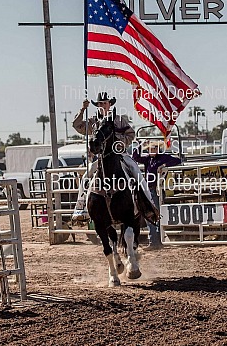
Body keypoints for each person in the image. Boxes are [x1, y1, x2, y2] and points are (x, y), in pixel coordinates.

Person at [70, 92, 138, 220]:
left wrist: (118, 142)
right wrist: (82, 109)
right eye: (100, 103)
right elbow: (76, 125)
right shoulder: (93, 121)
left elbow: (131, 134)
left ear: (109, 104)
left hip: (120, 155)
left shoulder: (118, 120)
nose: (102, 105)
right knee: (86, 175)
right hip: (101, 158)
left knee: (136, 171)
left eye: (104, 103)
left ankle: (146, 204)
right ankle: (81, 209)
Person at [132, 140, 181, 249]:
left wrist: (163, 165)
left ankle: (156, 241)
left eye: (154, 148)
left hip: (156, 190)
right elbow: (135, 156)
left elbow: (178, 161)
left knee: (155, 215)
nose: (152, 150)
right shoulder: (148, 159)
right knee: (151, 215)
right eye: (150, 148)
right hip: (148, 190)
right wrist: (141, 146)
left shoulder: (162, 157)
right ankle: (155, 241)